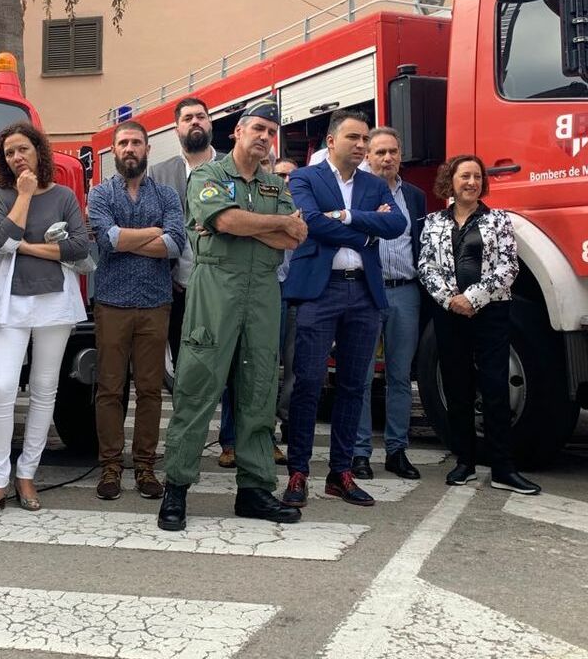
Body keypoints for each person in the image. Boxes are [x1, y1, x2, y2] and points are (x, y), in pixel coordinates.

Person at [157, 96, 307, 532]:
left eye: (271, 133)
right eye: (257, 129)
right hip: (214, 290)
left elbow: (292, 239)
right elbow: (221, 221)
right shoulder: (207, 173)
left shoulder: (275, 185)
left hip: (262, 294)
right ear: (237, 132)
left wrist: (250, 223)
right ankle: (177, 490)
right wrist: (267, 224)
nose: (264, 137)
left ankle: (255, 491)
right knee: (197, 387)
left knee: (259, 391)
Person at [282, 110, 406, 509]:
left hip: (364, 295)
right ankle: (298, 471)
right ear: (331, 142)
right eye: (353, 137)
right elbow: (313, 223)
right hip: (321, 292)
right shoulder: (305, 177)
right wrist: (366, 233)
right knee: (308, 382)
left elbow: (397, 225)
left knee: (356, 385)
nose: (361, 145)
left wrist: (351, 217)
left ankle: (341, 473)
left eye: (365, 139)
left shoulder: (373, 184)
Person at [0, 122, 89, 520]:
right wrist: (22, 196)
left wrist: (22, 247)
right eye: (9, 153)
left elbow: (78, 245)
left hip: (56, 302)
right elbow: (1, 239)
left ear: (39, 149)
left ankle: (27, 474)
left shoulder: (64, 195)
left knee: (44, 388)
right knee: (2, 388)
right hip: (11, 304)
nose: (17, 157)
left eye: (23, 149)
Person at [418, 154, 539, 495]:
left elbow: (508, 268)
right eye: (464, 176)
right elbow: (425, 266)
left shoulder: (499, 221)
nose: (471, 182)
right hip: (449, 314)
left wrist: (473, 298)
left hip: (491, 313)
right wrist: (450, 300)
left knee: (496, 388)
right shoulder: (432, 223)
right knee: (457, 389)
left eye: (476, 177)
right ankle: (464, 462)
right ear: (450, 182)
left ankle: (503, 468)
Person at [88, 120, 185, 501]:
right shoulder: (100, 194)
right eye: (123, 143)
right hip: (111, 303)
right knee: (109, 388)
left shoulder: (166, 195)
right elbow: (107, 241)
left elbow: (176, 243)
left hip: (155, 303)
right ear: (114, 150)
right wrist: (153, 232)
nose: (130, 149)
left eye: (137, 143)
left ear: (147, 150)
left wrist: (128, 239)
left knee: (149, 390)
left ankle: (145, 466)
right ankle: (110, 465)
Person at [146, 98, 241, 467]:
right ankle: (184, 444)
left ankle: (231, 442)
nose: (195, 122)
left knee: (233, 365)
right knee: (186, 371)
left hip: (224, 287)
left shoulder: (232, 167)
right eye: (187, 118)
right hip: (178, 288)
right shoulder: (160, 173)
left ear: (210, 124)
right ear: (177, 130)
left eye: (201, 116)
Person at [350, 128, 426, 481]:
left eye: (393, 151)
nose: (387, 158)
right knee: (361, 377)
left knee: (399, 377)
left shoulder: (414, 196)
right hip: (365, 290)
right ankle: (360, 453)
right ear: (367, 156)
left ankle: (397, 451)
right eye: (379, 152)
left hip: (404, 292)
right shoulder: (356, 193)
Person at [273, 157, 299, 448]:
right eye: (281, 175)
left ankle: (288, 421)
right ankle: (262, 428)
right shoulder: (263, 206)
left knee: (294, 364)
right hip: (270, 290)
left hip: (297, 294)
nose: (287, 181)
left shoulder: (306, 209)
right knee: (266, 364)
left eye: (293, 176)